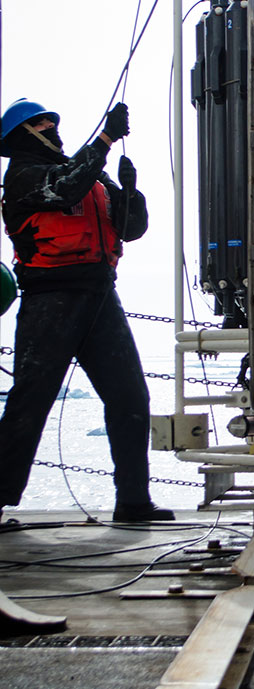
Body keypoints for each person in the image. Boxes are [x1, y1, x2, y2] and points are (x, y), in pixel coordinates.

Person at [0, 98, 174, 523]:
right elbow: (66, 187)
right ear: (26, 134)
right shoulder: (24, 177)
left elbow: (130, 230)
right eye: (44, 124)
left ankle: (133, 500)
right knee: (31, 401)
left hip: (99, 296)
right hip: (50, 299)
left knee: (130, 396)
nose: (54, 129)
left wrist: (131, 193)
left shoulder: (87, 174)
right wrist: (106, 138)